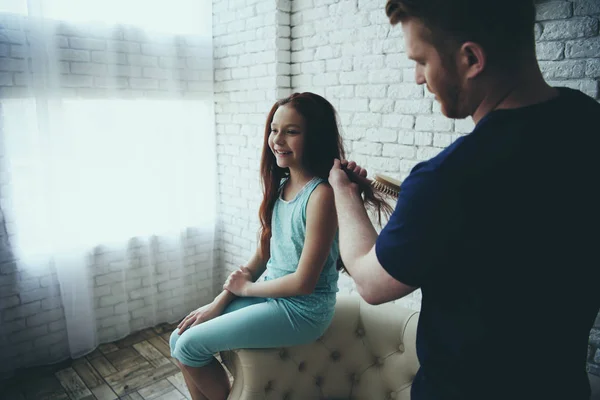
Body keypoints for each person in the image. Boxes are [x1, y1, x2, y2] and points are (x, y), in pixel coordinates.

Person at [328, 1, 600, 399]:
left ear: (471, 58)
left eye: (421, 60)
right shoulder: (587, 120)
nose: (418, 77)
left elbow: (370, 282)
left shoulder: (448, 180)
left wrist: (344, 192)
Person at [169, 92, 388, 400]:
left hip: (303, 311)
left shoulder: (321, 195)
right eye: (274, 129)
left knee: (191, 346)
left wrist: (246, 290)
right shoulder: (282, 186)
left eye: (291, 131)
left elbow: (303, 282)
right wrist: (217, 303)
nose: (277, 139)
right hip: (273, 294)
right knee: (178, 338)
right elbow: (263, 254)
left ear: (315, 136)